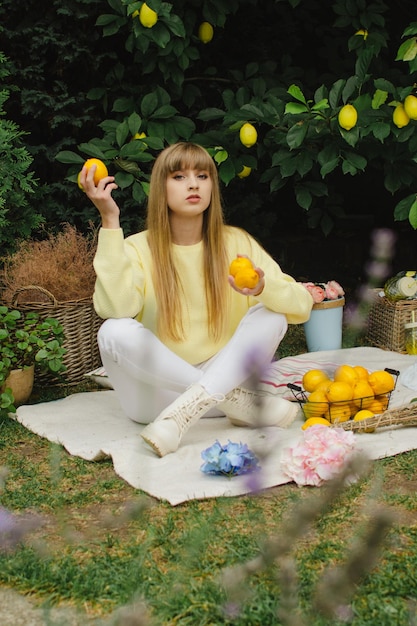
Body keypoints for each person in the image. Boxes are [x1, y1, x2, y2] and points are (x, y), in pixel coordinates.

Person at [79, 142, 313, 457]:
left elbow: (302, 306)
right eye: (179, 176)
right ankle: (234, 402)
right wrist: (109, 219)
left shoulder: (236, 242)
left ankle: (190, 410)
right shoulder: (137, 248)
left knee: (271, 314)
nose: (193, 184)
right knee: (112, 331)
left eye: (202, 176)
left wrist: (262, 288)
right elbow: (115, 309)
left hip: (210, 394)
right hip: (157, 401)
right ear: (160, 188)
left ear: (212, 187)